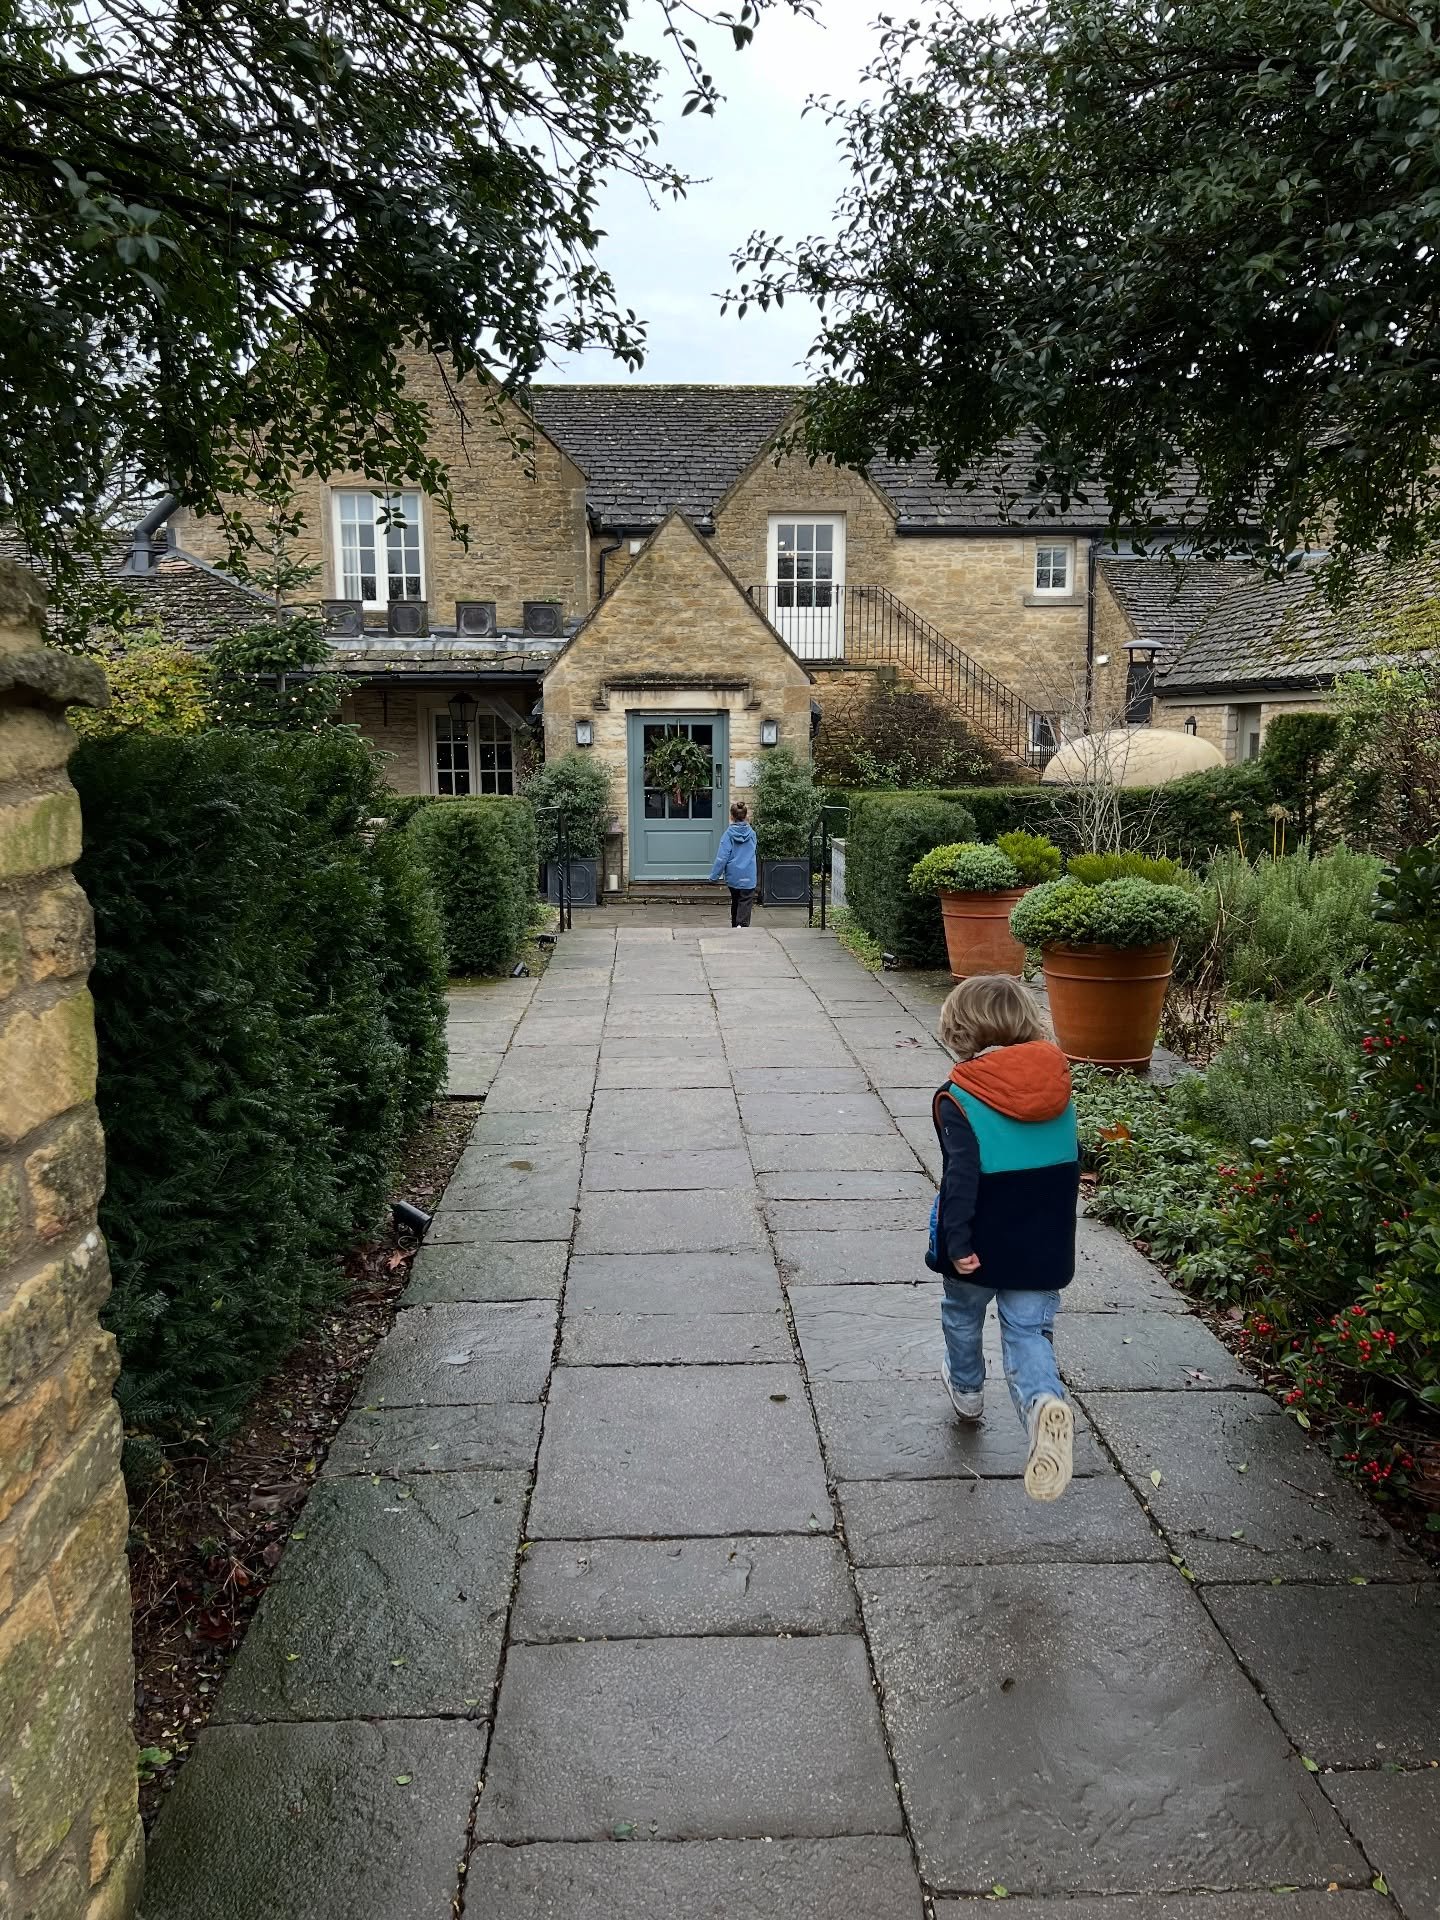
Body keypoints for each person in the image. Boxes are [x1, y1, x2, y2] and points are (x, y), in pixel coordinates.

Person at [925, 974, 1080, 1500]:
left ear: (961, 1029)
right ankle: (1043, 1406)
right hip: (1043, 1245)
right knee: (1028, 1334)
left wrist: (956, 1242)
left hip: (980, 1243)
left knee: (962, 1314)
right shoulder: (1057, 1085)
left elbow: (961, 1178)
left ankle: (967, 1392)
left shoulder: (960, 1097)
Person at [709, 800, 758, 927]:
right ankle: (741, 926)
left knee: (736, 901)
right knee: (745, 902)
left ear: (731, 817)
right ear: (746, 816)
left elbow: (722, 858)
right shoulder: (752, 834)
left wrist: (714, 877)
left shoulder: (728, 835)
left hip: (734, 876)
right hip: (749, 875)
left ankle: (735, 925)